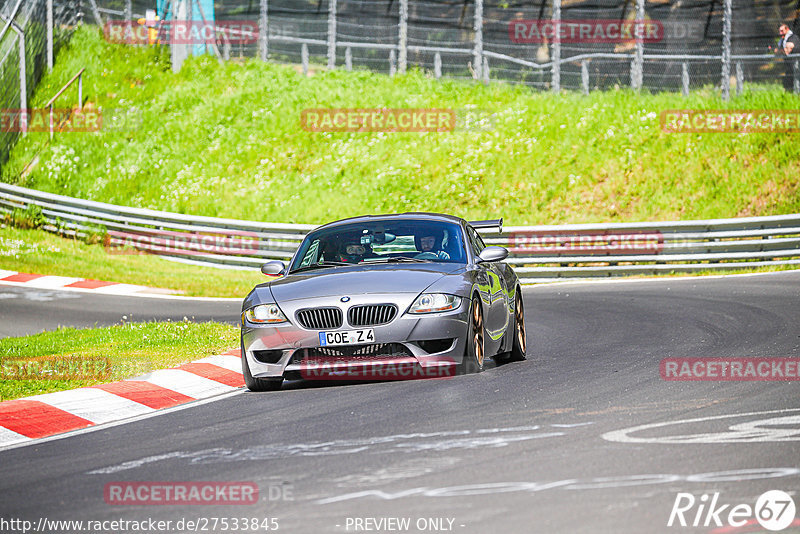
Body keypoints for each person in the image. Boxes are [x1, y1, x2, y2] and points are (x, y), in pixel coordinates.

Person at [775, 23, 799, 91]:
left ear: (787, 29)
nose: (780, 33)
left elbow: (787, 51)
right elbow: (777, 51)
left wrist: (781, 51)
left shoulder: (792, 37)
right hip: (789, 66)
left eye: (782, 31)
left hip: (796, 64)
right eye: (779, 31)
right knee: (787, 83)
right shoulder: (782, 40)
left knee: (796, 81)